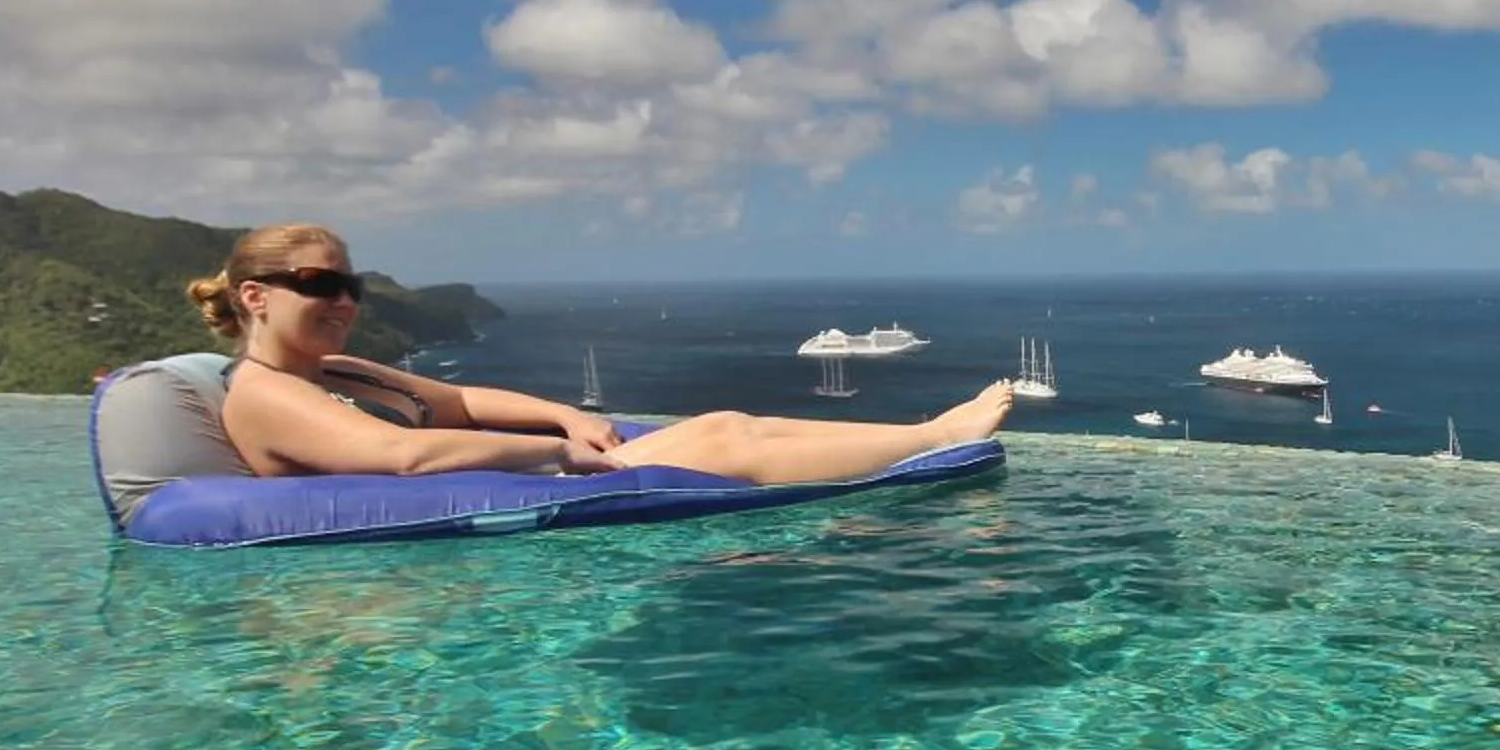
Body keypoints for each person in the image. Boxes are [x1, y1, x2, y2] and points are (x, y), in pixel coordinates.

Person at [186, 223, 1012, 485]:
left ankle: (927, 434)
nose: (343, 301)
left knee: (724, 418)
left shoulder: (336, 372)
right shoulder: (265, 393)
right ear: (255, 296)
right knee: (728, 442)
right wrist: (555, 452)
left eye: (350, 285)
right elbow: (403, 455)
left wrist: (562, 415)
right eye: (318, 284)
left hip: (514, 475)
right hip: (499, 497)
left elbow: (457, 403)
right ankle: (932, 438)